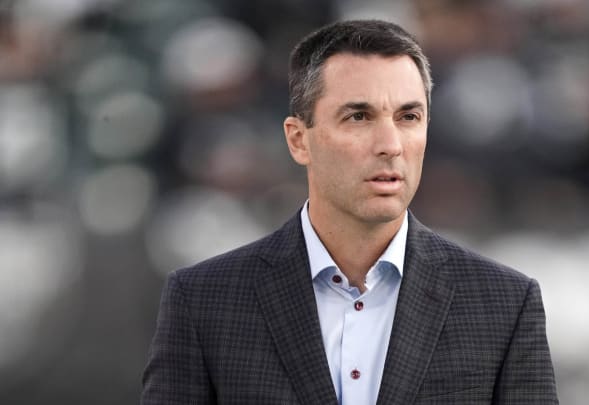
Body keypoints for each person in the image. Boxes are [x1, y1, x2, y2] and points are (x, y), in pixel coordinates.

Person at [141, 19, 558, 405]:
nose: (391, 144)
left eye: (409, 116)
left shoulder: (504, 303)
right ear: (299, 140)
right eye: (359, 116)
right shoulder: (203, 301)